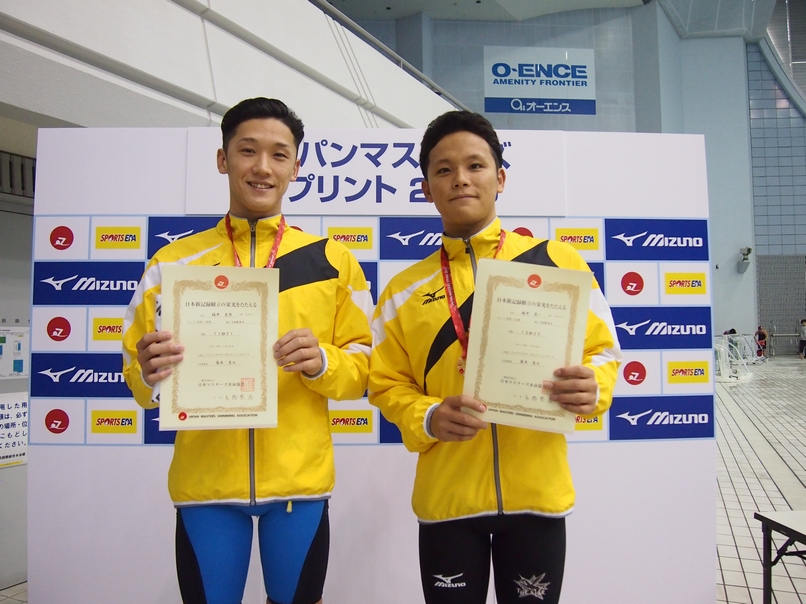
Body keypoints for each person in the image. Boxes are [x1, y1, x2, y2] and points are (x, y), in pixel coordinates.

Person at [122, 98, 373, 604]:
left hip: (299, 486)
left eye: (279, 154)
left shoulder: (333, 260)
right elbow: (137, 376)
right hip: (206, 487)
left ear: (295, 168)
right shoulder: (172, 262)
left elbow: (367, 368)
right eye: (247, 151)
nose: (263, 167)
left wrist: (324, 362)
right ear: (223, 159)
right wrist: (148, 374)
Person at [368, 111, 622, 604]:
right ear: (426, 188)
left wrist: (594, 385)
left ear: (500, 178)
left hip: (537, 498)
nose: (460, 179)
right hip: (447, 500)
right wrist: (427, 416)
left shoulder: (558, 262)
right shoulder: (402, 290)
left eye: (475, 165)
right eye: (443, 170)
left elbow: (604, 350)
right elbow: (384, 383)